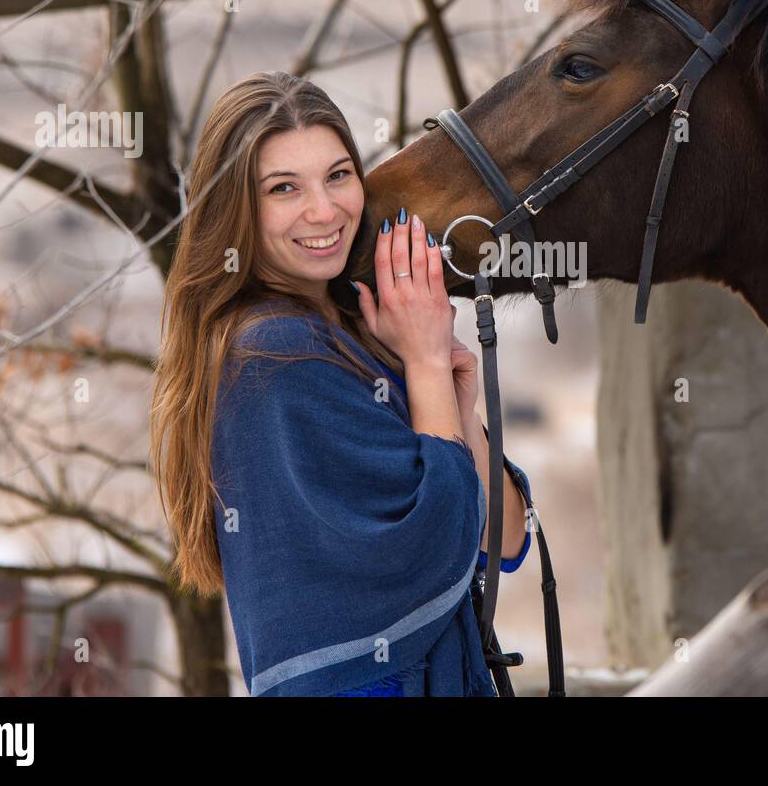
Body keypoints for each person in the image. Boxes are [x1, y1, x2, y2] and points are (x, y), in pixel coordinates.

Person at [149, 70, 532, 696]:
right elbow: (433, 540)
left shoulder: (359, 331)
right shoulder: (270, 354)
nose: (324, 211)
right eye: (283, 188)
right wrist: (428, 367)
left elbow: (505, 539)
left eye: (337, 175)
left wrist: (450, 393)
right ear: (236, 210)